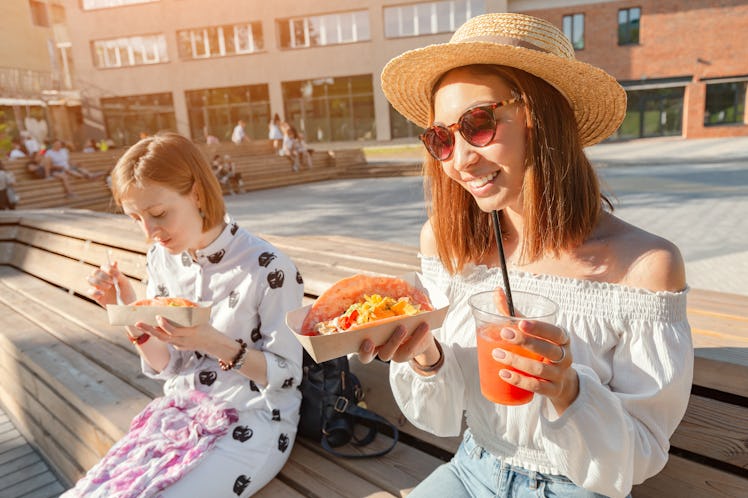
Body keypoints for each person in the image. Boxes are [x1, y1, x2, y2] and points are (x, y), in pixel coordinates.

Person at [359, 13, 693, 498]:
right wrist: (426, 356)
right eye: (441, 139)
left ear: (540, 118)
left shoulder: (646, 266)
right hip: (471, 468)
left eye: (477, 124)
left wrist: (567, 389)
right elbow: (443, 416)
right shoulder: (448, 243)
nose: (460, 161)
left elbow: (641, 450)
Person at [69, 132, 304, 497]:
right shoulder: (162, 259)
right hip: (183, 411)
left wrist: (214, 342)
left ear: (196, 193)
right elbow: (171, 366)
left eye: (159, 214)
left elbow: (287, 376)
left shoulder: (267, 267)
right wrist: (131, 314)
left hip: (254, 417)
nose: (149, 232)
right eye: (136, 218)